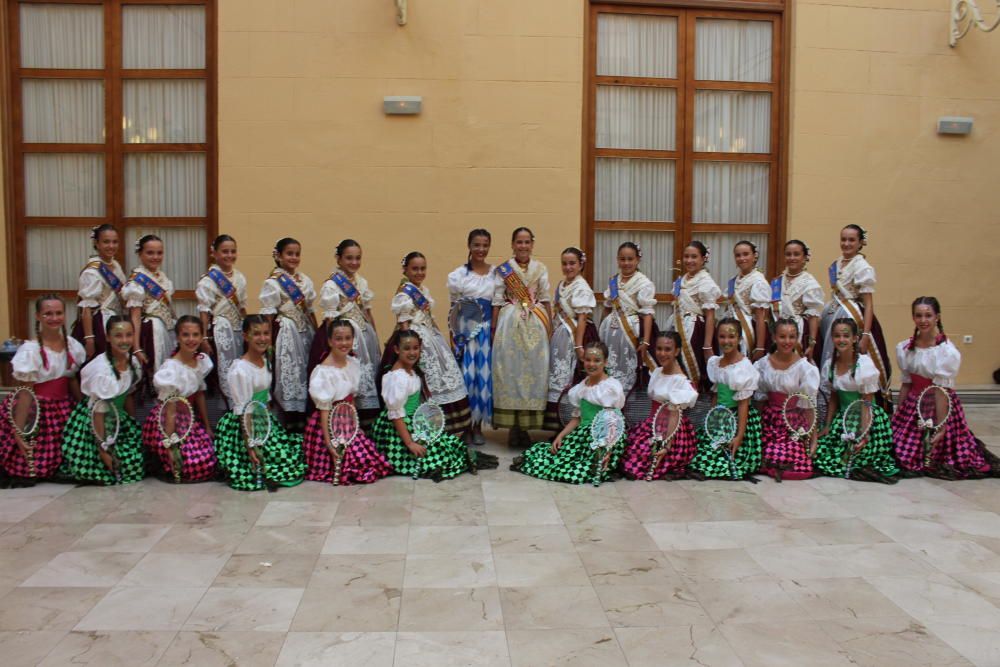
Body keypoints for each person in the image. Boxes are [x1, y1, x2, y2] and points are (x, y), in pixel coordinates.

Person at [891, 297, 1000, 478]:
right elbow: (906, 384)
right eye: (918, 316)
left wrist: (941, 427)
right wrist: (899, 414)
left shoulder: (946, 351)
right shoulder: (905, 348)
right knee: (898, 448)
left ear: (937, 317)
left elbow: (941, 392)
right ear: (913, 318)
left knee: (940, 450)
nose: (923, 320)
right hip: (913, 405)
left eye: (928, 315)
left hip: (939, 405)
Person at [370, 331, 496, 480]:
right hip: (399, 428)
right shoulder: (397, 378)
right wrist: (410, 443)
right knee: (436, 457)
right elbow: (396, 415)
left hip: (412, 421)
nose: (412, 352)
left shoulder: (410, 371)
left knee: (446, 446)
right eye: (407, 348)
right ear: (397, 349)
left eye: (416, 348)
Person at [511, 341, 626, 485]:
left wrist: (607, 448)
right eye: (588, 360)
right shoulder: (581, 387)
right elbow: (577, 418)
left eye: (597, 360)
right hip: (582, 436)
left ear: (605, 362)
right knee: (551, 456)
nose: (591, 364)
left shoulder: (610, 388)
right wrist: (560, 436)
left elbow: (614, 421)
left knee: (577, 471)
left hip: (603, 438)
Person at [214, 315, 306, 490]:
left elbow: (266, 398)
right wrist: (250, 445)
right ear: (245, 336)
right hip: (247, 425)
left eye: (266, 333)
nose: (262, 338)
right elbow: (244, 411)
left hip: (264, 419)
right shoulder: (240, 370)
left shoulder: (264, 360)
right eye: (256, 334)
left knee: (291, 458)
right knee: (272, 465)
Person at [0, 294, 84, 485]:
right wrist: (19, 431)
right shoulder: (31, 350)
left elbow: (71, 380)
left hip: (63, 406)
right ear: (38, 316)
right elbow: (25, 393)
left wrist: (83, 410)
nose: (54, 318)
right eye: (48, 314)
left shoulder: (72, 346)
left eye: (58, 313)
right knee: (29, 461)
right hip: (35, 409)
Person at [391, 252, 472, 436]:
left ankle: (450, 426)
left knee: (445, 375)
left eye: (423, 268)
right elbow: (403, 322)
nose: (419, 272)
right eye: (415, 269)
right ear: (405, 270)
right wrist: (407, 350)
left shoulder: (422, 290)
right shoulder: (404, 293)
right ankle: (426, 424)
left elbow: (428, 316)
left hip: (430, 335)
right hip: (415, 339)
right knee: (426, 379)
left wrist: (439, 337)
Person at [302, 319, 392, 484]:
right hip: (328, 424)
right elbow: (324, 410)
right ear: (330, 341)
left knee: (370, 461)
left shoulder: (352, 363)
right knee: (350, 464)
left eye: (348, 338)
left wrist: (355, 426)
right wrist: (329, 442)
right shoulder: (323, 372)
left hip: (347, 423)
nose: (344, 343)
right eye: (338, 338)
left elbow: (352, 402)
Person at [58, 316, 145, 485]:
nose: (124, 340)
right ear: (107, 337)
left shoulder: (133, 363)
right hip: (96, 421)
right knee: (106, 470)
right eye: (118, 336)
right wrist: (102, 446)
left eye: (129, 335)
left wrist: (133, 425)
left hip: (118, 418)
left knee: (134, 465)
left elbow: (127, 396)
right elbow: (99, 411)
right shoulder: (101, 370)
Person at [814, 318, 898, 483]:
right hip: (844, 417)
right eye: (837, 336)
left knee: (858, 458)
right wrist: (828, 425)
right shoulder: (831, 365)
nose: (841, 340)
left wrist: (864, 434)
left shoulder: (864, 365)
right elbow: (833, 399)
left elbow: (867, 403)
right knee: (823, 454)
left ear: (854, 338)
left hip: (866, 418)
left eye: (846, 335)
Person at [310, 239, 382, 428]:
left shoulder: (361, 282)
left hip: (364, 335)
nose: (354, 262)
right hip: (345, 337)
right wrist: (332, 346)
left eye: (358, 258)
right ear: (339, 259)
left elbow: (367, 312)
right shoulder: (332, 286)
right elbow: (330, 320)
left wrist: (374, 335)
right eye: (349, 258)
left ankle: (366, 421)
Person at [491, 227, 552, 446]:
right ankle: (513, 427)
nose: (523, 246)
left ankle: (527, 427)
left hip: (535, 321)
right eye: (519, 242)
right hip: (510, 322)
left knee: (533, 372)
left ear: (532, 244)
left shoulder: (540, 268)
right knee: (510, 372)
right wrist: (494, 329)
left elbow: (545, 298)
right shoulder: (505, 270)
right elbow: (497, 300)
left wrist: (550, 326)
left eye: (527, 242)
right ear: (513, 244)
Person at [819, 225, 891, 405]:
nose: (846, 243)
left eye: (851, 240)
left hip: (853, 318)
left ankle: (858, 406)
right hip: (834, 315)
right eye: (843, 239)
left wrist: (866, 334)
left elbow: (868, 303)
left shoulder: (862, 267)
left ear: (860, 243)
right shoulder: (837, 264)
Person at [141, 316, 217, 482]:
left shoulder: (201, 361)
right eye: (186, 335)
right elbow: (170, 411)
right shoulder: (171, 369)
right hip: (167, 421)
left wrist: (207, 426)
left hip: (188, 418)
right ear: (178, 337)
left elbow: (200, 395)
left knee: (209, 458)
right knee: (189, 464)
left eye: (195, 335)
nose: (191, 340)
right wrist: (170, 442)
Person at [689, 318, 762, 481]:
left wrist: (739, 436)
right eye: (722, 337)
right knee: (703, 449)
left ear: (739, 339)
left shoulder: (743, 367)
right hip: (721, 416)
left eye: (731, 337)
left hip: (737, 418)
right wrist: (713, 418)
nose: (726, 341)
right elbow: (716, 395)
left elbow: (743, 404)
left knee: (724, 456)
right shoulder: (715, 363)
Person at [621, 331, 699, 480]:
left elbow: (674, 415)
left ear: (677, 351)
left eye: (667, 349)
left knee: (642, 457)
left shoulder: (680, 381)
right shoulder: (657, 372)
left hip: (670, 429)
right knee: (629, 449)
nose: (662, 353)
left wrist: (666, 445)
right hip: (651, 424)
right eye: (659, 349)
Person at [260, 237, 317, 429]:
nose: (294, 258)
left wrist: (317, 333)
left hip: (304, 332)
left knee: (304, 372)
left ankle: (303, 419)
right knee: (288, 373)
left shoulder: (305, 280)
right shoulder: (273, 282)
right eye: (289, 254)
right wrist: (267, 341)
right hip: (285, 331)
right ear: (279, 256)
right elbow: (268, 313)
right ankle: (287, 419)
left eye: (297, 254)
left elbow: (310, 310)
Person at [754, 318, 820, 481]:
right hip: (769, 421)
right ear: (774, 337)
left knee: (789, 456)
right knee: (764, 453)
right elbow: (759, 401)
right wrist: (755, 431)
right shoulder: (762, 365)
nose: (787, 341)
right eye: (782, 337)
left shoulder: (805, 368)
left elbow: (809, 406)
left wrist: (813, 440)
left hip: (793, 422)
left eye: (792, 337)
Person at [447, 229, 495, 445]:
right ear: (469, 246)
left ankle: (478, 426)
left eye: (485, 245)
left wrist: (494, 331)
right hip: (465, 332)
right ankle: (465, 425)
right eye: (477, 245)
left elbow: (498, 306)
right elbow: (453, 308)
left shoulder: (496, 274)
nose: (481, 250)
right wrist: (454, 335)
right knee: (465, 377)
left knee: (482, 377)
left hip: (485, 331)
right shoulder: (459, 276)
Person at [543, 247, 598, 433]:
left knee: (573, 376)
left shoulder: (582, 287)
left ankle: (572, 424)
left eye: (572, 263)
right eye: (565, 263)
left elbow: (582, 317)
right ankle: (557, 424)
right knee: (557, 376)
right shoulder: (562, 285)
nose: (568, 267)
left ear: (581, 264)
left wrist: (579, 344)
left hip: (576, 336)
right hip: (560, 335)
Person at [196, 234, 248, 405]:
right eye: (225, 251)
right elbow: (204, 311)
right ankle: (225, 407)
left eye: (233, 251)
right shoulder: (209, 280)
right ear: (215, 253)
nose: (229, 255)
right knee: (223, 370)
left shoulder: (239, 277)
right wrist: (203, 337)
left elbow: (242, 307)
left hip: (237, 329)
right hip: (219, 331)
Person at [600, 241, 656, 395]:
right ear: (617, 260)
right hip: (609, 331)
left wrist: (645, 340)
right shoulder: (614, 281)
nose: (626, 263)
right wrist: (600, 329)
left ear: (637, 260)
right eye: (622, 259)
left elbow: (648, 313)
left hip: (632, 333)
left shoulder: (644, 283)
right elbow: (607, 307)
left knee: (628, 368)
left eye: (630, 259)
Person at [122, 234, 176, 382]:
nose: (155, 257)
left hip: (166, 328)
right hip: (152, 332)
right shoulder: (137, 281)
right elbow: (135, 316)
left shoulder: (161, 276)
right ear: (140, 254)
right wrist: (136, 346)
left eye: (159, 253)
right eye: (150, 253)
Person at [671, 241, 722, 391]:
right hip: (678, 326)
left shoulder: (706, 282)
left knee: (692, 367)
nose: (689, 260)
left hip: (695, 331)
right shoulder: (680, 280)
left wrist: (707, 345)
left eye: (694, 257)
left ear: (703, 259)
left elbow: (710, 315)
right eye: (686, 256)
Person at [72, 224, 127, 359]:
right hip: (98, 324)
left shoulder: (115, 265)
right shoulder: (92, 271)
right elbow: (87, 307)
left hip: (115, 322)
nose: (111, 246)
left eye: (115, 242)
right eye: (106, 242)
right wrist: (89, 338)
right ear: (96, 243)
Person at [769, 240, 824, 365]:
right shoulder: (777, 282)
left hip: (800, 332)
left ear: (805, 257)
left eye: (796, 254)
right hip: (779, 332)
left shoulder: (809, 283)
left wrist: (812, 343)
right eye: (788, 254)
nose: (792, 258)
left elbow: (813, 315)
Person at [724, 240, 771, 362]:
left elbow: (761, 317)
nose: (742, 258)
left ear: (754, 256)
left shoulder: (759, 282)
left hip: (749, 332)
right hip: (730, 332)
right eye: (738, 255)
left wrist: (760, 347)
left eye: (746, 254)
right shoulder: (733, 281)